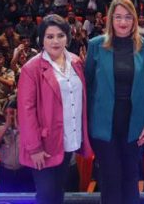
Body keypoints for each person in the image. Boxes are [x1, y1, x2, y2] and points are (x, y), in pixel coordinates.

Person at [85, 0, 144, 204]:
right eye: (118, 17)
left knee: (131, 177)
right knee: (110, 179)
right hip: (103, 124)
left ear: (134, 20)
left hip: (134, 124)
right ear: (110, 19)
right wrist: (87, 123)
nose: (123, 22)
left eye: (127, 17)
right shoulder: (96, 45)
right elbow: (88, 87)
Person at [18, 15, 93, 204]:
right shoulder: (31, 68)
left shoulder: (76, 62)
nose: (55, 41)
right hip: (43, 145)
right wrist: (34, 148)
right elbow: (26, 111)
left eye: (60, 35)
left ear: (67, 37)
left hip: (67, 141)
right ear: (41, 39)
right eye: (49, 36)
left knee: (58, 193)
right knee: (46, 197)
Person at [0, 98, 32, 192]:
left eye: (13, 113)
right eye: (7, 114)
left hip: (24, 171)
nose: (11, 117)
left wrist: (19, 127)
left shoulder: (28, 129)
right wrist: (6, 126)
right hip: (6, 172)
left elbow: (32, 145)